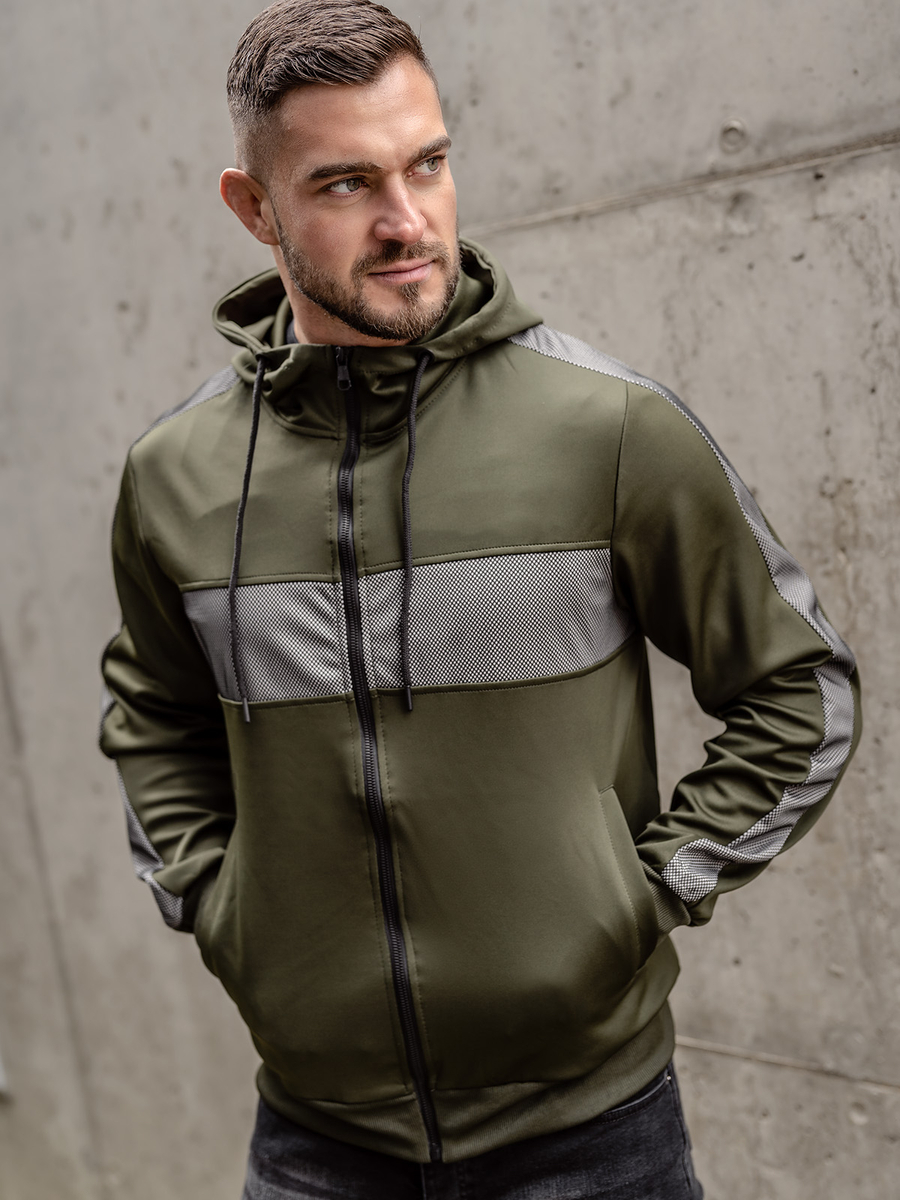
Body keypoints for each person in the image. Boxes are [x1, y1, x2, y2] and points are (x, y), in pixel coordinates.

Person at [99, 1, 861, 1196]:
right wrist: (221, 907)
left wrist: (637, 900)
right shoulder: (176, 477)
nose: (408, 221)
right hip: (314, 1141)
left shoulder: (603, 426)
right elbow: (153, 715)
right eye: (347, 183)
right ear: (255, 208)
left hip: (594, 1136)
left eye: (428, 164)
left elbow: (801, 691)